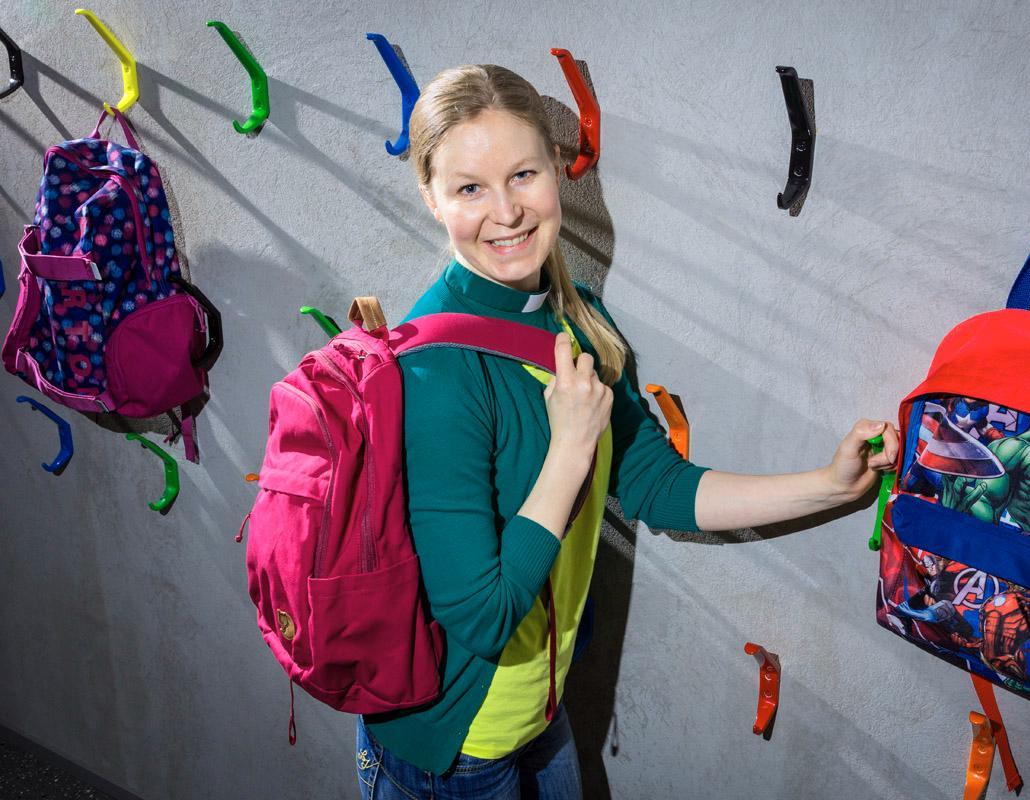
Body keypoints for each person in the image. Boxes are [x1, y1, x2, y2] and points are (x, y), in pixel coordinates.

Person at [354, 64, 899, 800]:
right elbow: (481, 616)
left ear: (558, 171)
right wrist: (573, 447)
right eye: (470, 188)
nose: (508, 212)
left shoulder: (576, 323)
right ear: (431, 198)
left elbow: (660, 486)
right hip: (450, 749)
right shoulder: (439, 374)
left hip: (538, 718)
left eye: (523, 174)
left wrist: (828, 485)